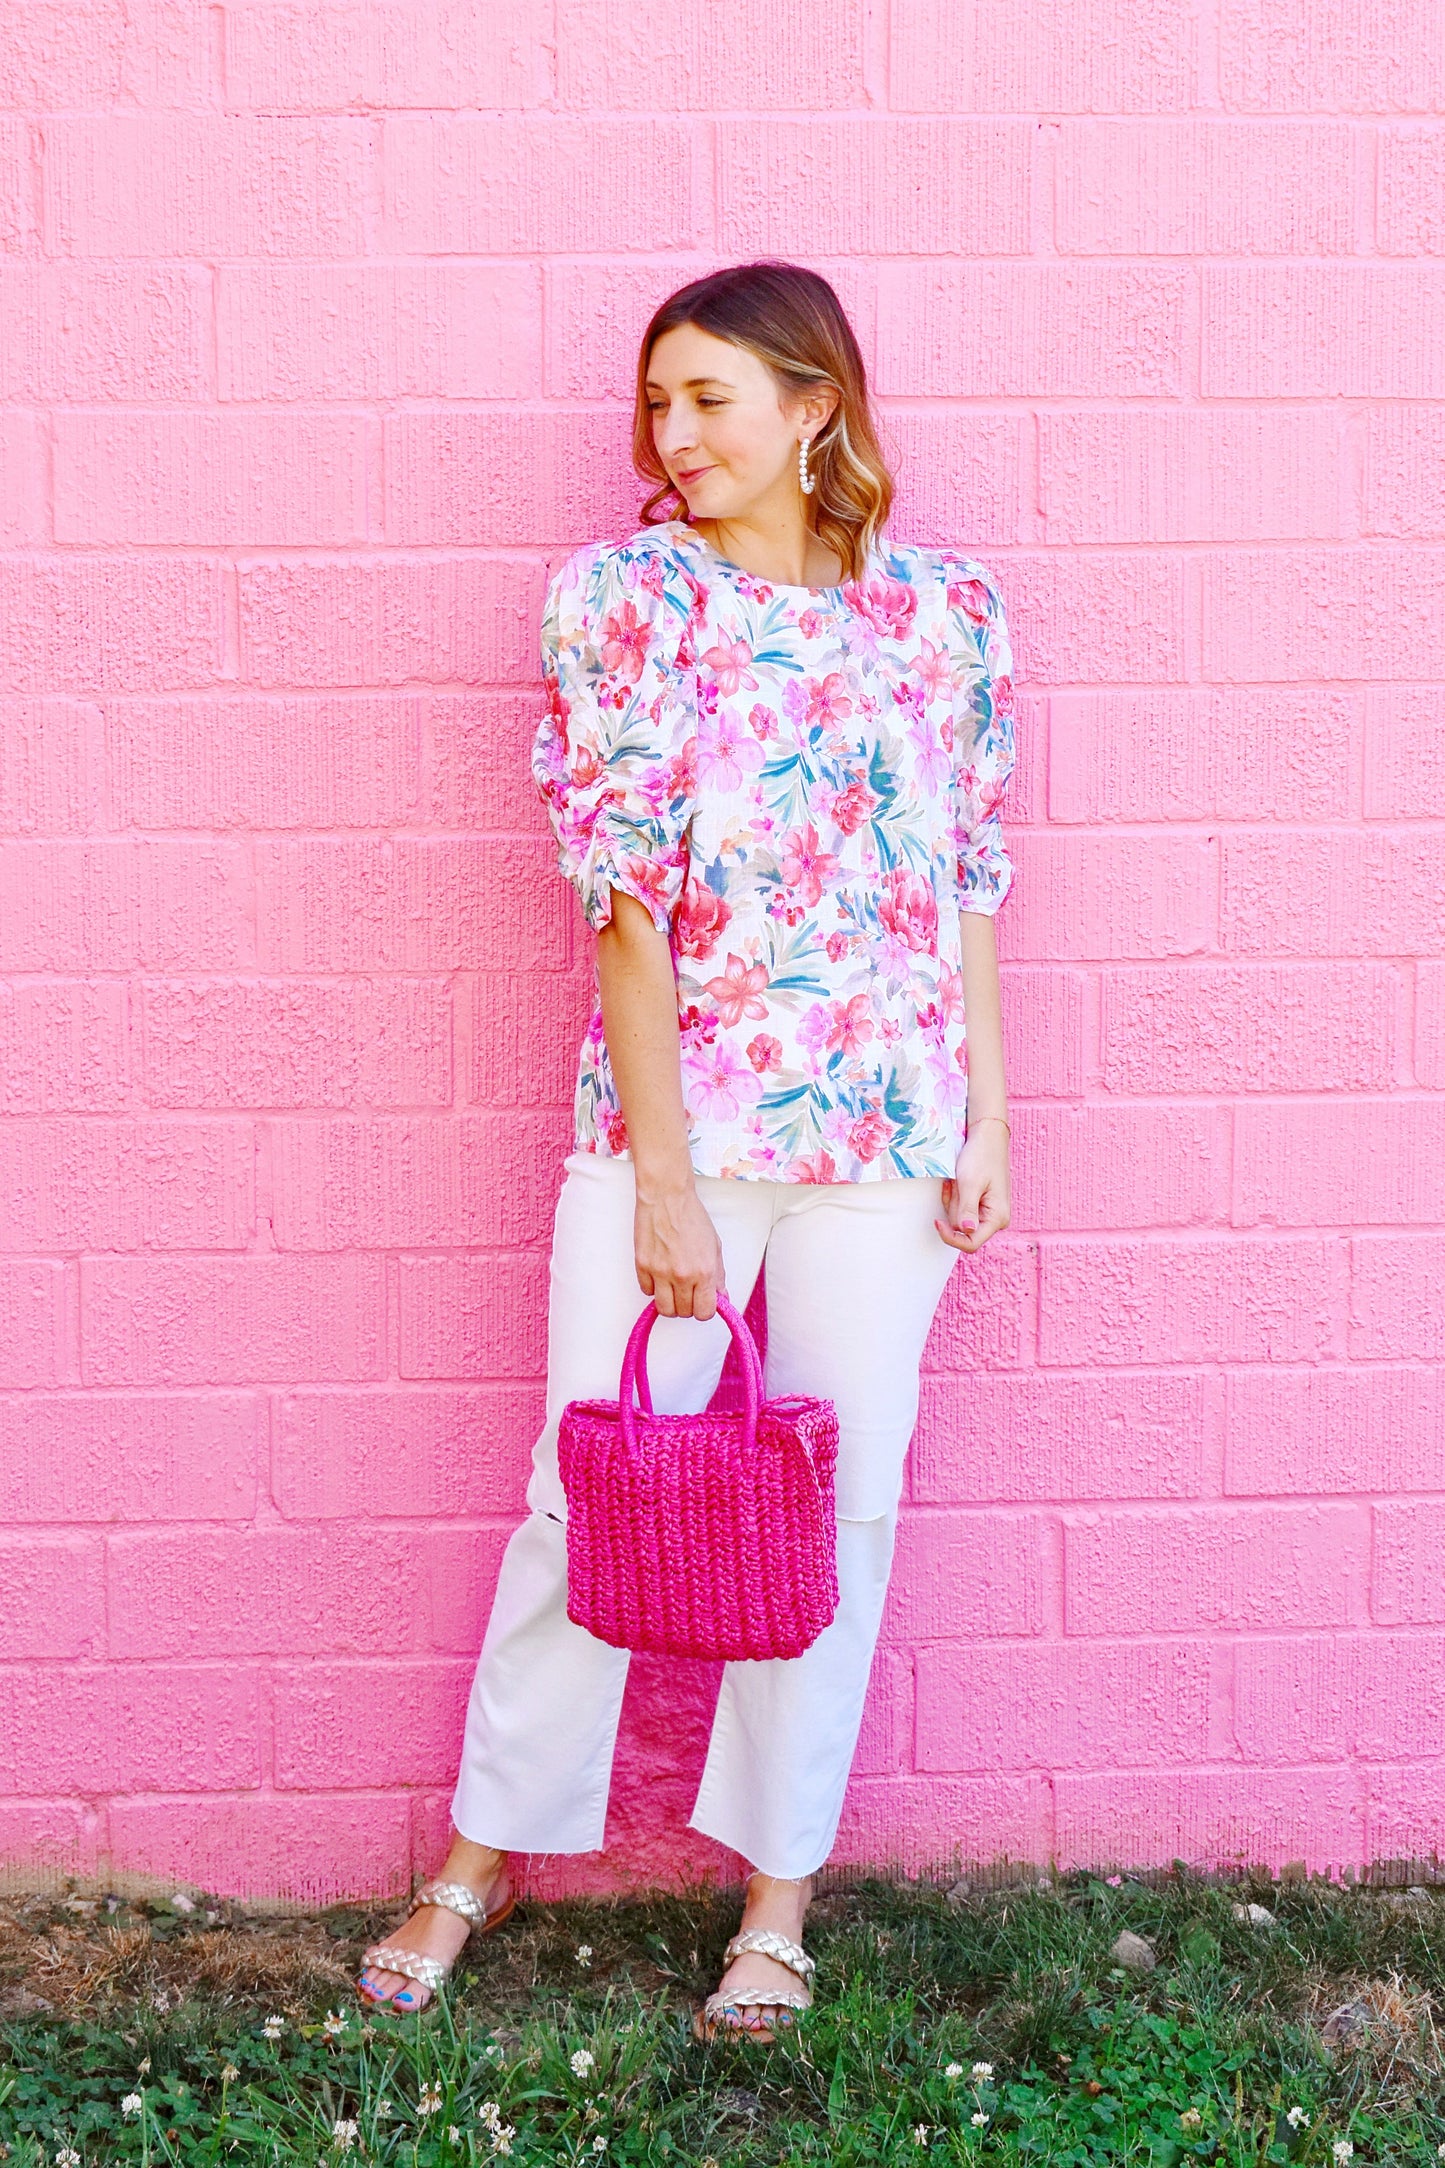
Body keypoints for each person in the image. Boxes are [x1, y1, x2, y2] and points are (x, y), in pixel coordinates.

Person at [357, 258, 1017, 2043]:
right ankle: (480, 1856)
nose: (672, 435)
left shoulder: (940, 614)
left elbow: (963, 868)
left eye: (710, 399)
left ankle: (775, 1903)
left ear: (814, 407)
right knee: (588, 1498)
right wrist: (659, 1182)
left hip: (884, 1139)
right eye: (656, 403)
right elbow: (622, 903)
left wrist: (985, 1115)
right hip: (680, 1135)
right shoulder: (629, 601)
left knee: (837, 1519)